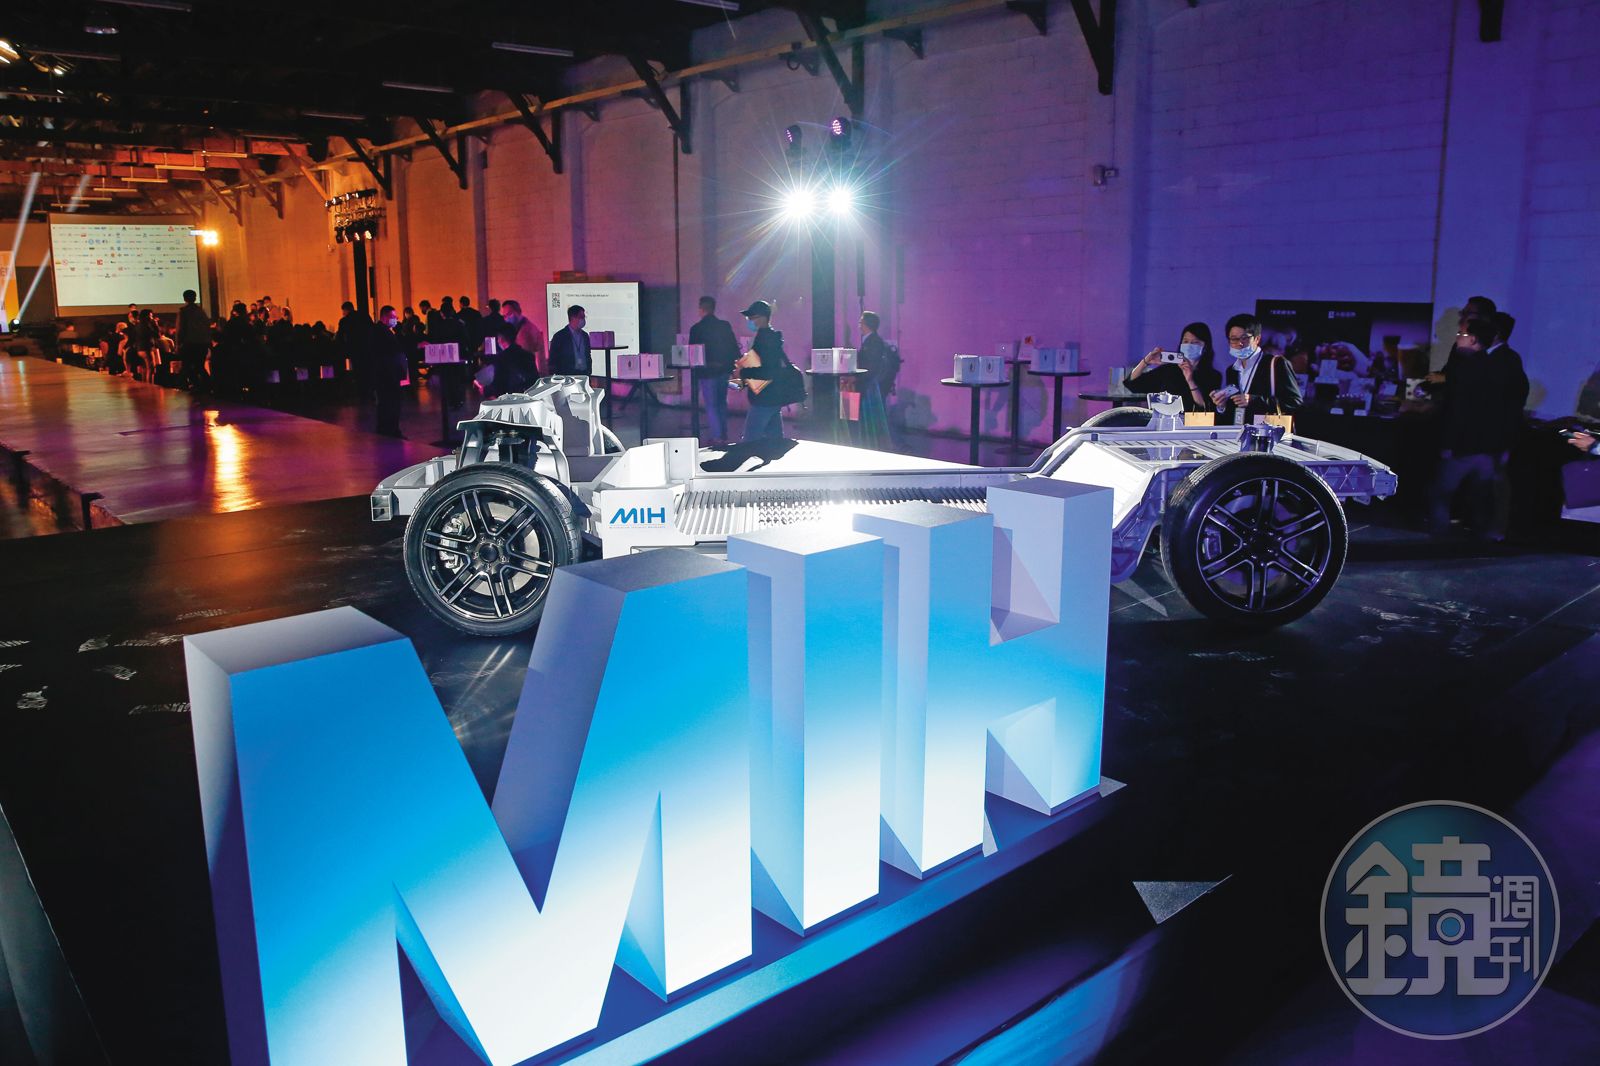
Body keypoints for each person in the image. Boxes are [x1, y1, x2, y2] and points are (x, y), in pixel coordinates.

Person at [1427, 317, 1527, 538]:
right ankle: (1482, 536)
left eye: (1462, 334)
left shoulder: (1474, 366)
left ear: (1474, 339)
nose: (1457, 337)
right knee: (1481, 494)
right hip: (1490, 445)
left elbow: (1459, 410)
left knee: (1444, 491)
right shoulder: (1494, 364)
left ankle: (1441, 534)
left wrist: (1448, 443)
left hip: (1468, 444)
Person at [1211, 313, 1302, 424]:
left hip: (1267, 431)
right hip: (1239, 431)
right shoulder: (1232, 370)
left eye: (1245, 338)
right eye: (1234, 339)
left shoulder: (1276, 364)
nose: (1239, 343)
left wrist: (1254, 400)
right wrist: (1222, 405)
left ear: (1257, 339)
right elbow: (1234, 409)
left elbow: (1295, 402)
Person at [735, 300, 796, 441]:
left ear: (762, 318)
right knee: (775, 441)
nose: (749, 321)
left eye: (752, 317)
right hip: (774, 395)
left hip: (763, 397)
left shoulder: (764, 339)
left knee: (750, 440)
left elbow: (766, 371)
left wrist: (742, 372)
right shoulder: (772, 337)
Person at [1127, 321, 1220, 412]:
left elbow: (1206, 408)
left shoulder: (1213, 376)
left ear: (1205, 347)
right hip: (1166, 420)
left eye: (1195, 342)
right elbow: (1133, 385)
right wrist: (1145, 362)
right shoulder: (1168, 370)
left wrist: (1190, 381)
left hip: (1193, 421)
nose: (1189, 345)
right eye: (1185, 341)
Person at [689, 296, 740, 443]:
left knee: (711, 405)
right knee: (722, 403)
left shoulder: (696, 329)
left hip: (707, 372)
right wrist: (733, 368)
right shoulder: (724, 326)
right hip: (723, 370)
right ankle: (723, 434)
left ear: (701, 309)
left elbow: (694, 353)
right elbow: (733, 348)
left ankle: (717, 436)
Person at [855, 310, 897, 445]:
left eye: (861, 322)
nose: (859, 325)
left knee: (871, 416)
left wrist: (858, 378)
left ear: (867, 324)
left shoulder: (874, 342)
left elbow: (871, 367)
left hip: (870, 385)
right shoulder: (870, 341)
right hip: (868, 384)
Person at [371, 306, 408, 438]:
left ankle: (385, 429)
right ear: (385, 317)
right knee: (391, 402)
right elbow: (394, 349)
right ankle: (391, 429)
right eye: (393, 317)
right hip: (388, 374)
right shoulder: (382, 332)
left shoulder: (381, 331)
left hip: (385, 373)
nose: (395, 320)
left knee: (386, 402)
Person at [479, 321, 540, 398]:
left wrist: (484, 390)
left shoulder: (501, 358)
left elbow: (498, 386)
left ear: (501, 339)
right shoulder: (528, 355)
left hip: (511, 400)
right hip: (530, 398)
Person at [176, 289, 210, 391]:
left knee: (186, 366)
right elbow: (207, 326)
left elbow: (180, 329)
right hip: (202, 343)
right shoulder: (201, 311)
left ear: (184, 298)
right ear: (195, 298)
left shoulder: (183, 311)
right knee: (199, 366)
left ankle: (183, 387)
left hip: (189, 343)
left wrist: (178, 344)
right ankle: (206, 385)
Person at [502, 300, 546, 374]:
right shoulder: (518, 328)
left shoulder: (526, 331)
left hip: (530, 374)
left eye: (509, 314)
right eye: (505, 316)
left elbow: (522, 358)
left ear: (518, 312)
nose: (507, 318)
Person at [548, 305, 592, 375]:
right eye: (581, 317)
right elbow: (553, 358)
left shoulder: (585, 335)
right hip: (567, 375)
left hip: (584, 374)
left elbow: (588, 355)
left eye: (584, 317)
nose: (583, 320)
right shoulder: (560, 336)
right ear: (572, 318)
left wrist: (589, 371)